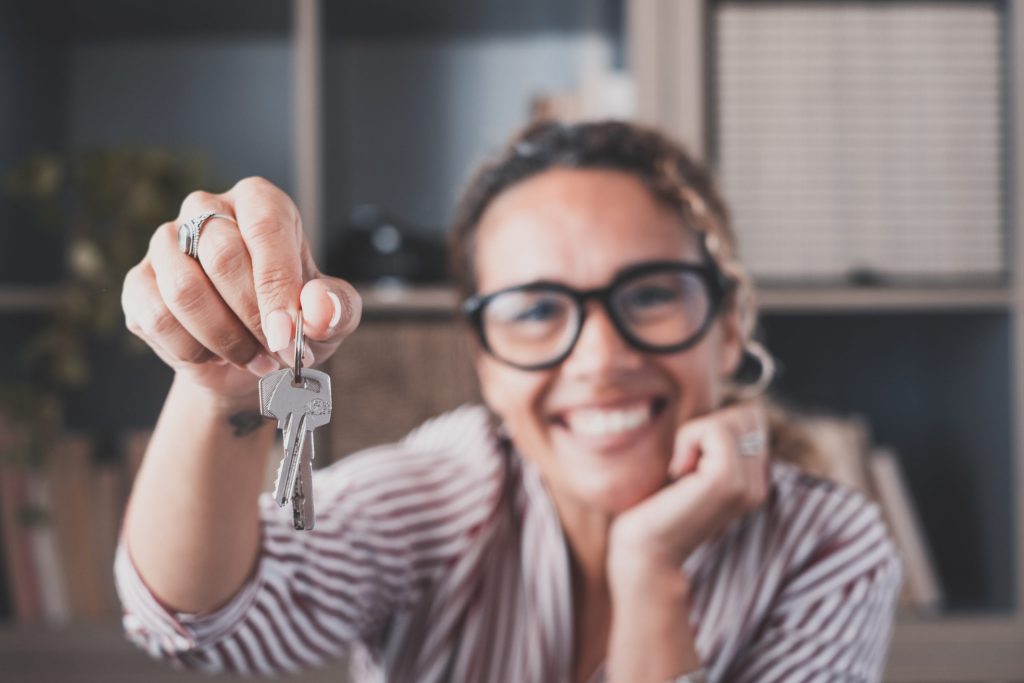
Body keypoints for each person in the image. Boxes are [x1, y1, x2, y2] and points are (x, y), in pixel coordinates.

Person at [116, 120, 902, 683]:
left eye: (652, 293)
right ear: (485, 362)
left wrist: (649, 572)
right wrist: (224, 381)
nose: (601, 357)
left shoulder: (826, 544)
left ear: (728, 327)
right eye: (535, 309)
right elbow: (198, 622)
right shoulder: (440, 490)